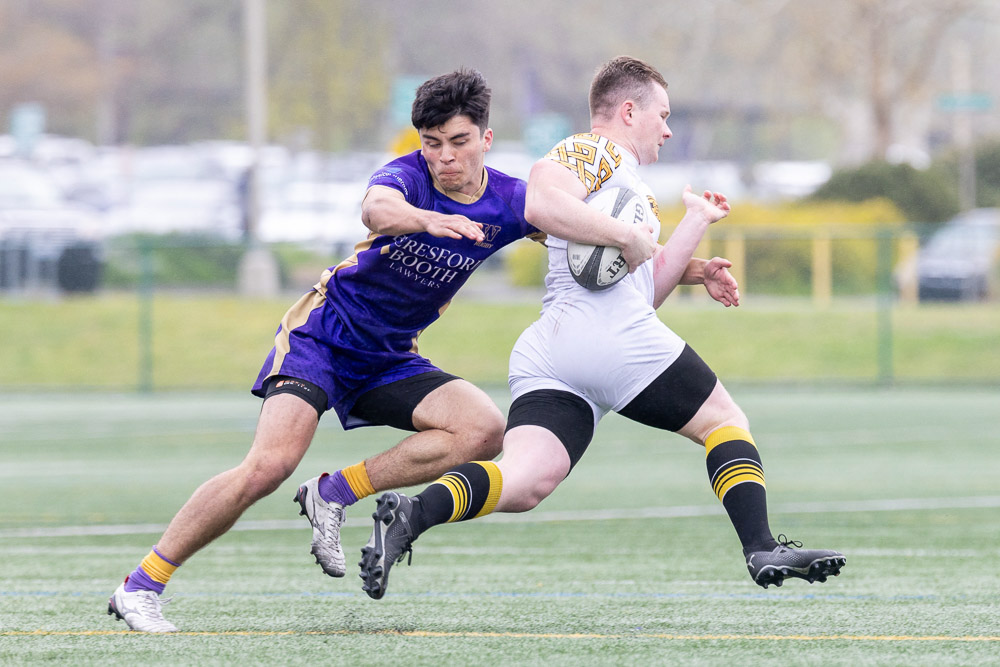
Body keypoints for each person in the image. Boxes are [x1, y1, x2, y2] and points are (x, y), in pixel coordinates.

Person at [358, 56, 846, 600]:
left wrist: (694, 241)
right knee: (724, 421)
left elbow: (642, 288)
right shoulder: (593, 149)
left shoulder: (619, 175)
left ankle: (413, 512)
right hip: (604, 334)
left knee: (523, 482)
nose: (666, 128)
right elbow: (542, 200)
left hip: (559, 349)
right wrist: (626, 233)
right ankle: (760, 546)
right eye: (662, 114)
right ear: (628, 110)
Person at [106, 68, 566, 632]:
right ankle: (140, 586)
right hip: (324, 334)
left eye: (459, 142)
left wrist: (687, 264)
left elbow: (579, 238)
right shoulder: (407, 178)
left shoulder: (512, 202)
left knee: (482, 431)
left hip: (390, 355)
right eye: (432, 143)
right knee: (268, 466)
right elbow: (376, 209)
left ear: (486, 140)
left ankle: (333, 492)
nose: (445, 157)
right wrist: (430, 220)